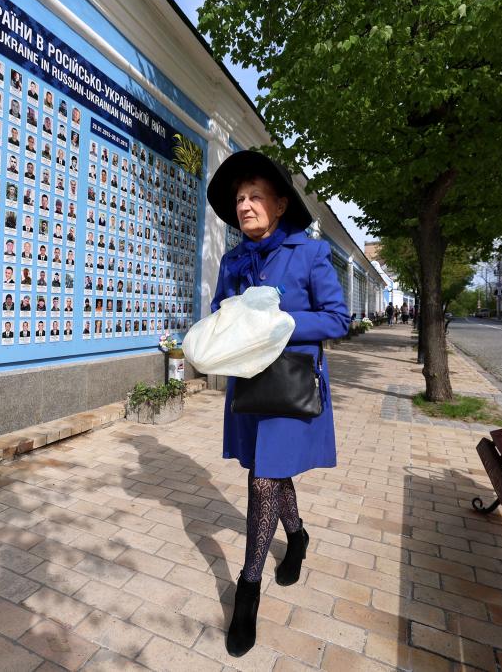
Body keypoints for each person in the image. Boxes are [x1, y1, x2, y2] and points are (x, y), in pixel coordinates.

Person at [205, 150, 349, 658]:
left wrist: (280, 325)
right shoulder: (233, 259)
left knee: (264, 479)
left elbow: (337, 319)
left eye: (255, 197)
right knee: (272, 473)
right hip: (250, 387)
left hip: (291, 386)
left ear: (281, 204)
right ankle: (299, 535)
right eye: (239, 199)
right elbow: (224, 315)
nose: (244, 206)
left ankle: (247, 592)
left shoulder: (309, 254)